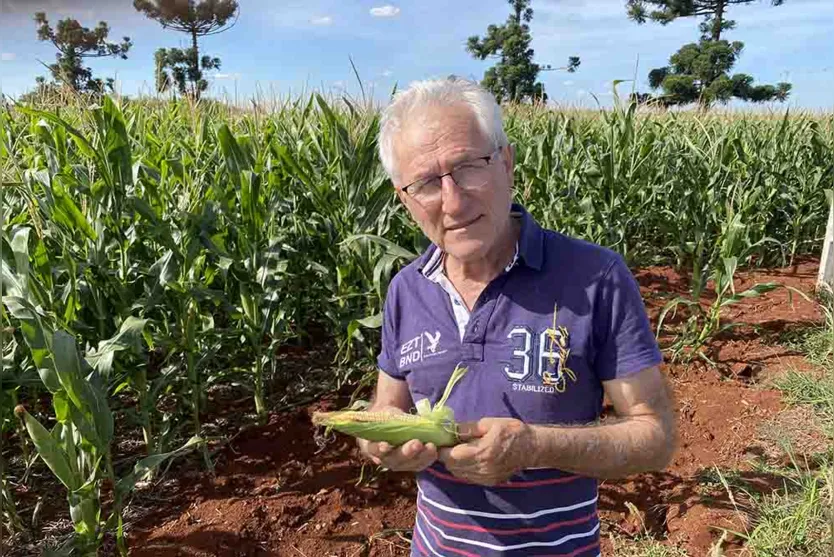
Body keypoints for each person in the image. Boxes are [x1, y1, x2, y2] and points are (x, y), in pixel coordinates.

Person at [358, 76, 677, 557]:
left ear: (505, 162)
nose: (452, 201)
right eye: (425, 183)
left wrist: (536, 446)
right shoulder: (406, 289)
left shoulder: (595, 278)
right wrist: (380, 441)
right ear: (403, 198)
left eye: (468, 167)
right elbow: (388, 407)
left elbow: (656, 437)